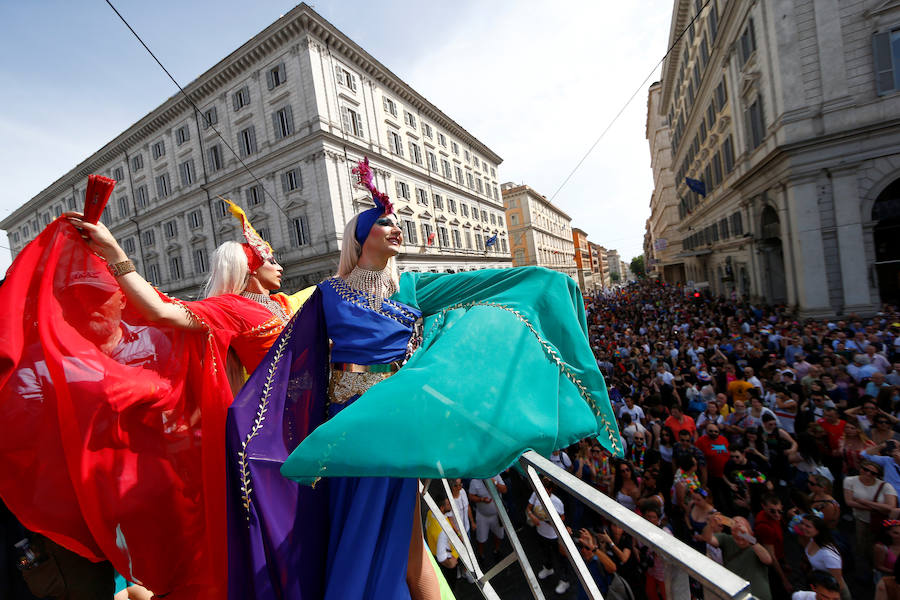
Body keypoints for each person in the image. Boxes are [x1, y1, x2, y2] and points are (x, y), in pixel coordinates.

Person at [241, 158, 623, 599]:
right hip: (347, 423)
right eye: (385, 222)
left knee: (405, 542)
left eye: (397, 222)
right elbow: (292, 358)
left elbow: (479, 285)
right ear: (361, 234)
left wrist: (541, 280)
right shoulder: (327, 292)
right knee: (352, 529)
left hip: (395, 424)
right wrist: (254, 421)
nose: (396, 228)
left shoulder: (410, 288)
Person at [0, 194, 311, 599]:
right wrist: (114, 252)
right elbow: (160, 312)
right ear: (250, 266)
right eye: (270, 260)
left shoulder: (283, 305)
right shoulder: (230, 308)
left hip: (301, 424)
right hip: (268, 437)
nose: (280, 265)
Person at [702, 515, 773, 600]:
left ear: (750, 531)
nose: (738, 528)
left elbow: (768, 560)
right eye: (734, 524)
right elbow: (708, 538)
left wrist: (747, 537)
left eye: (741, 525)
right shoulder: (726, 539)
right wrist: (710, 525)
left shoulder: (754, 544)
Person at [843, 460, 898, 568]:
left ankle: (876, 566)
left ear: (877, 475)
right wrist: (877, 507)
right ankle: (865, 567)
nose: (868, 474)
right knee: (862, 546)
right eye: (865, 470)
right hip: (861, 520)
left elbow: (891, 507)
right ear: (860, 468)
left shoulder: (885, 486)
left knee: (877, 545)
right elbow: (849, 502)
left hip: (880, 522)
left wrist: (865, 502)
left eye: (873, 473)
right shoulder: (849, 480)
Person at [527, 479, 569, 595]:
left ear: (550, 490)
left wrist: (550, 521)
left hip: (554, 535)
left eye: (544, 491)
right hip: (541, 532)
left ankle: (564, 580)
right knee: (545, 552)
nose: (541, 493)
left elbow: (562, 518)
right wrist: (532, 516)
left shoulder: (557, 502)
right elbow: (528, 508)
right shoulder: (535, 494)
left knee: (559, 558)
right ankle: (548, 568)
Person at [799, 515, 848, 600]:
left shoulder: (828, 554)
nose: (803, 527)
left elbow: (838, 581)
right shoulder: (812, 539)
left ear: (818, 530)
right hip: (819, 584)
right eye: (802, 523)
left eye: (808, 526)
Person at [467, 475, 507, 560]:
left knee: (499, 535)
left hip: (497, 515)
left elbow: (504, 490)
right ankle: (481, 555)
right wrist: (481, 499)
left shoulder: (496, 476)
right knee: (481, 539)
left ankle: (496, 550)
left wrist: (495, 482)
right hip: (482, 516)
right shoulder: (474, 481)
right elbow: (471, 496)